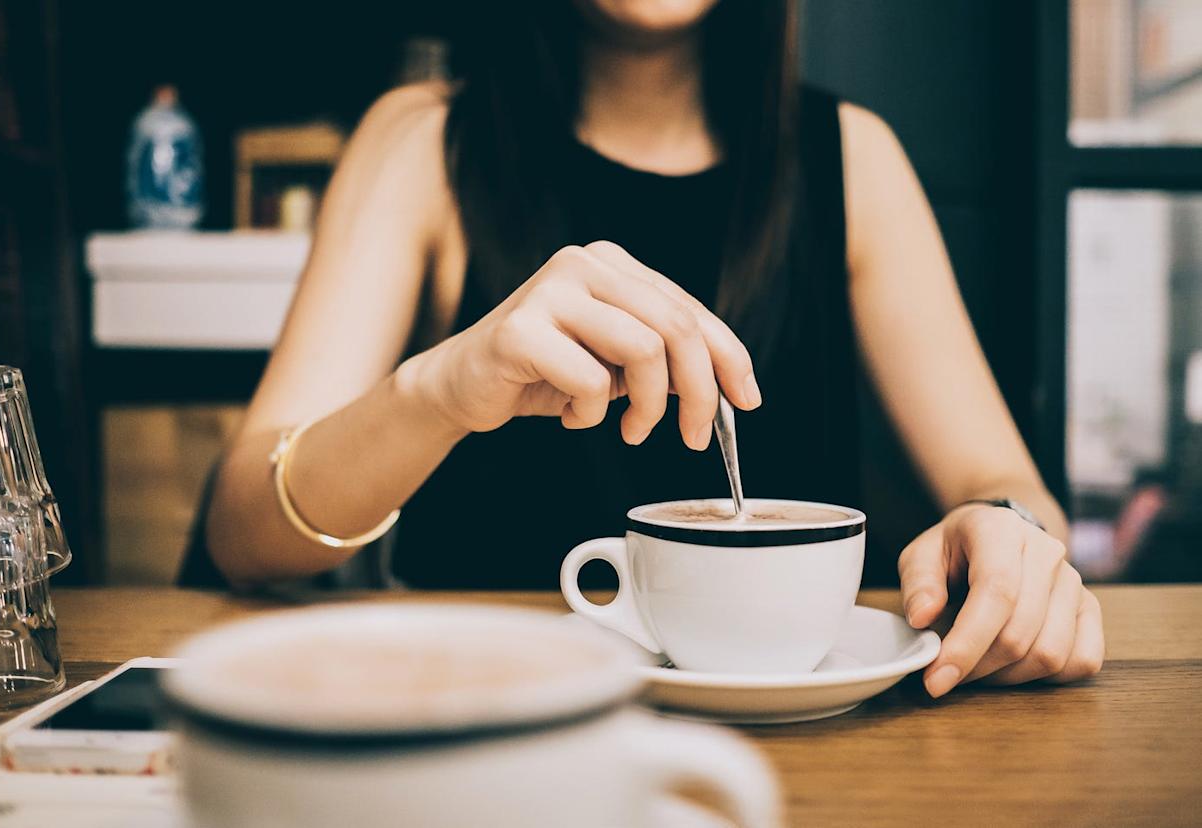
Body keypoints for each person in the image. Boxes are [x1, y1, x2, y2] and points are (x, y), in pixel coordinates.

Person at [198, 0, 1104, 697]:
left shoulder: (852, 160)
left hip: (811, 760)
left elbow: (1008, 486)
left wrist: (1010, 536)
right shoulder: (422, 144)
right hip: (495, 727)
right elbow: (242, 530)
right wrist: (437, 392)